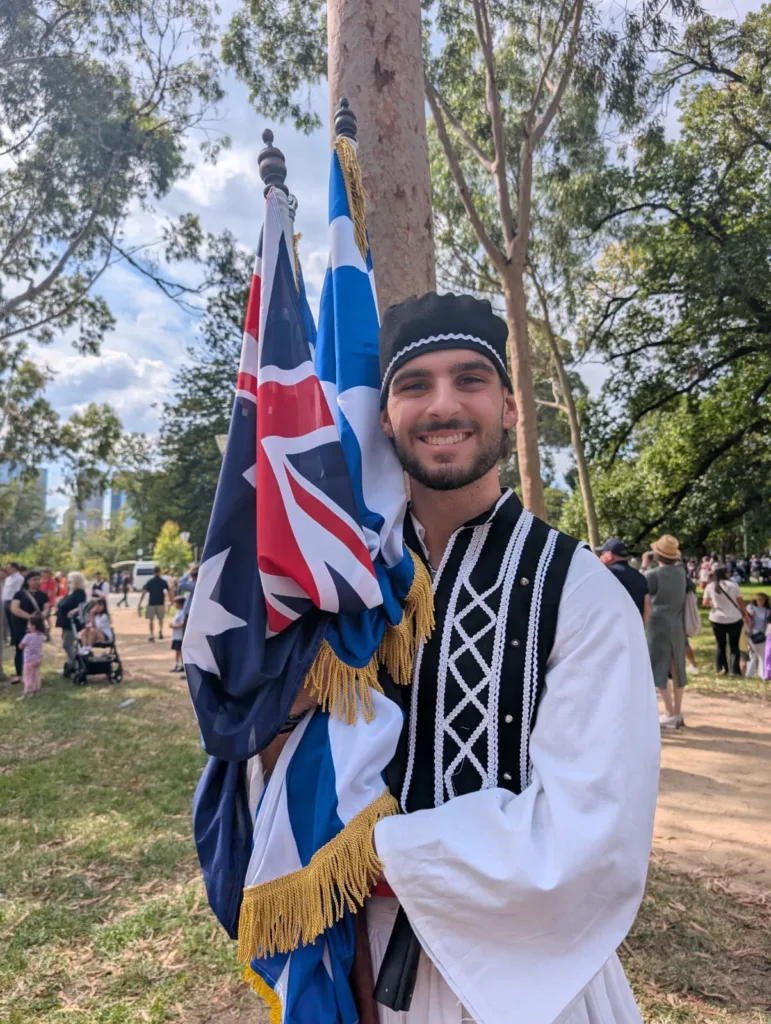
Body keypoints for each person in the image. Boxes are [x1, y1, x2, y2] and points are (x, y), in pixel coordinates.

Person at [267, 292, 660, 1023]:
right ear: (383, 417)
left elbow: (590, 835)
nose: (442, 404)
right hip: (356, 966)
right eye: (414, 385)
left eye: (469, 380)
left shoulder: (578, 591)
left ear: (510, 408)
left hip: (536, 979)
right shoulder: (349, 588)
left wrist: (367, 857)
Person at [642, 536, 687, 729]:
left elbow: (640, 586)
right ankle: (677, 711)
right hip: (676, 623)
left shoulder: (653, 574)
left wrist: (644, 565)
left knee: (657, 667)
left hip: (657, 624)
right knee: (677, 667)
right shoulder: (681, 572)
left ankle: (669, 711)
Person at [702, 565, 747, 677]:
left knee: (720, 645)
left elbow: (705, 602)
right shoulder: (733, 585)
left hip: (717, 618)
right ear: (725, 573)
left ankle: (721, 668)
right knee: (734, 646)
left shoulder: (711, 586)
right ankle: (735, 670)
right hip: (734, 618)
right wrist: (745, 614)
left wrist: (713, 604)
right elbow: (740, 601)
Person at [9, 570, 51, 683]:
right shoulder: (19, 594)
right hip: (20, 625)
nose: (37, 582)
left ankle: (33, 674)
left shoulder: (43, 595)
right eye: (34, 580)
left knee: (34, 650)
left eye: (38, 579)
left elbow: (47, 608)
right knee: (20, 649)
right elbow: (14, 608)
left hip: (36, 627)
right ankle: (20, 674)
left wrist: (41, 616)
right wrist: (29, 617)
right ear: (28, 581)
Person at [596, 538, 650, 623]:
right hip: (635, 629)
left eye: (603, 553)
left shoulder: (607, 574)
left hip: (614, 629)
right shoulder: (640, 576)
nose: (600, 557)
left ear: (609, 555)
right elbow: (647, 605)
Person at [56, 572, 87, 674]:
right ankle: (70, 666)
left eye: (69, 580)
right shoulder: (70, 592)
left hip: (72, 623)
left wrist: (74, 611)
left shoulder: (79, 593)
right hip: (65, 623)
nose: (67, 582)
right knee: (68, 644)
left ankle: (78, 663)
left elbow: (81, 607)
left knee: (67, 644)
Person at [137, 565, 169, 641]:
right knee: (161, 619)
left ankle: (151, 634)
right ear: (160, 572)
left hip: (151, 603)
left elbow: (144, 592)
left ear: (153, 572)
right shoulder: (163, 581)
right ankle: (160, 630)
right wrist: (171, 600)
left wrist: (140, 603)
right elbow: (169, 591)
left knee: (151, 620)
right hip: (160, 602)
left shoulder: (150, 581)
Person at [18, 615, 46, 699]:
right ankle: (36, 690)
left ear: (33, 626)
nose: (27, 626)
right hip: (38, 659)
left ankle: (27, 692)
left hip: (29, 660)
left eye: (29, 624)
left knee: (28, 676)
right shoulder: (41, 635)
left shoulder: (28, 636)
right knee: (36, 674)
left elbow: (21, 646)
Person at [745, 593, 771, 680]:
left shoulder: (767, 610)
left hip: (762, 634)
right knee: (752, 654)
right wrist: (749, 614)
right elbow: (744, 617)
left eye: (762, 600)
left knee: (763, 655)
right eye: (759, 599)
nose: (760, 601)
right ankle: (749, 674)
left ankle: (763, 674)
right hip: (751, 633)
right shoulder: (750, 607)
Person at [3, 561, 23, 643]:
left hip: (13, 600)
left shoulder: (19, 578)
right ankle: (12, 639)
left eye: (9, 568)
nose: (7, 569)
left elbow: (18, 590)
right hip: (5, 600)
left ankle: (17, 638)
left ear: (14, 568)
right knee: (8, 621)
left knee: (14, 620)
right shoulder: (8, 578)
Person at [39, 567, 58, 639]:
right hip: (41, 601)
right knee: (45, 617)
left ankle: (48, 633)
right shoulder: (41, 581)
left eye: (45, 572)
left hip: (48, 601)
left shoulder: (51, 581)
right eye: (43, 572)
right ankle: (45, 632)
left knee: (46, 617)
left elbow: (50, 593)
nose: (44, 574)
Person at [170, 596, 186, 672]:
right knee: (177, 651)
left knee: (180, 651)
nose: (174, 605)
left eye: (176, 603)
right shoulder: (178, 612)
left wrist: (174, 626)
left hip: (180, 635)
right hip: (176, 635)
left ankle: (181, 665)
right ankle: (177, 664)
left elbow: (183, 624)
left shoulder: (183, 612)